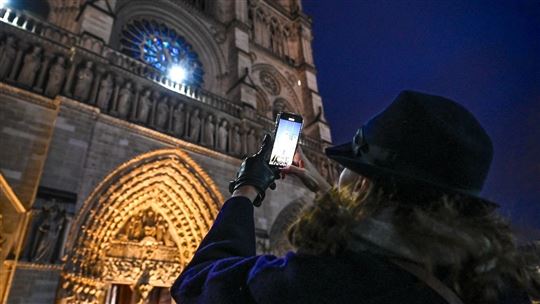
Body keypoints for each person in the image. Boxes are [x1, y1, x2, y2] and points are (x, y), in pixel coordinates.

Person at [171, 91, 540, 303]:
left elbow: (197, 287)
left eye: (348, 168)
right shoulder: (503, 286)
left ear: (363, 187)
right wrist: (315, 179)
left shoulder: (326, 284)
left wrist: (245, 190)